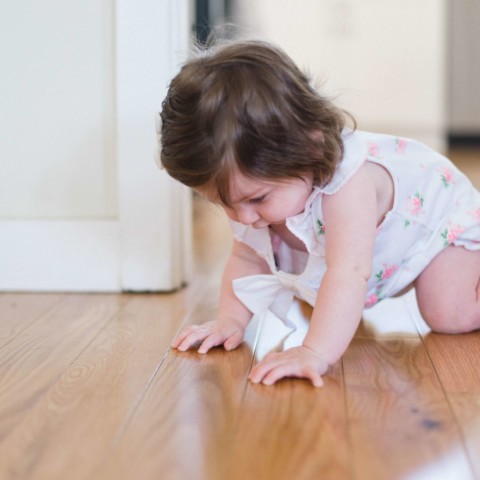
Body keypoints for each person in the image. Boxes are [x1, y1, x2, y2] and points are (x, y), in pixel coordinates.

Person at [159, 40, 480, 387]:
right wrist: (230, 321)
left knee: (448, 312)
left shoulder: (347, 187)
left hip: (436, 223)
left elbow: (348, 271)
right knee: (315, 292)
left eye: (257, 199)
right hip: (391, 244)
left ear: (310, 148)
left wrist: (313, 351)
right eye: (224, 204)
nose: (243, 217)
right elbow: (248, 260)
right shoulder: (260, 199)